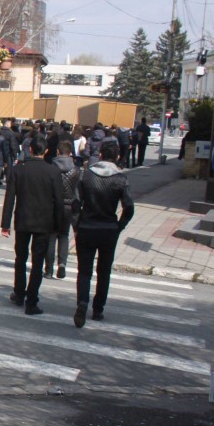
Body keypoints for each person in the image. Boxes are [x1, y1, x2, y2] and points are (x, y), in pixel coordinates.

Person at [71, 141, 135, 328]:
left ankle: (82, 302)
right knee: (104, 271)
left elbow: (75, 203)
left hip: (87, 227)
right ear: (116, 157)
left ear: (99, 155)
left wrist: (76, 225)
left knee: (84, 271)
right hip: (108, 229)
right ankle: (98, 309)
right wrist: (119, 226)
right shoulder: (121, 179)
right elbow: (129, 207)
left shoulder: (87, 176)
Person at [0, 138, 64, 315]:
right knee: (37, 262)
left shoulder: (18, 170)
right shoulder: (53, 172)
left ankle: (19, 294)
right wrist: (60, 226)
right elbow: (59, 201)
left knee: (20, 258)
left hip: (22, 220)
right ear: (44, 152)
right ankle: (32, 301)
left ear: (30, 150)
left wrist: (5, 224)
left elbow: (10, 198)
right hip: (44, 223)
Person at [45, 140, 81, 280]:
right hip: (69, 206)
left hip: (53, 205)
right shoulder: (76, 170)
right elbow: (79, 191)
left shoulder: (51, 169)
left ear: (58, 152)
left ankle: (48, 269)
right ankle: (62, 264)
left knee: (51, 237)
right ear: (70, 153)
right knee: (64, 235)